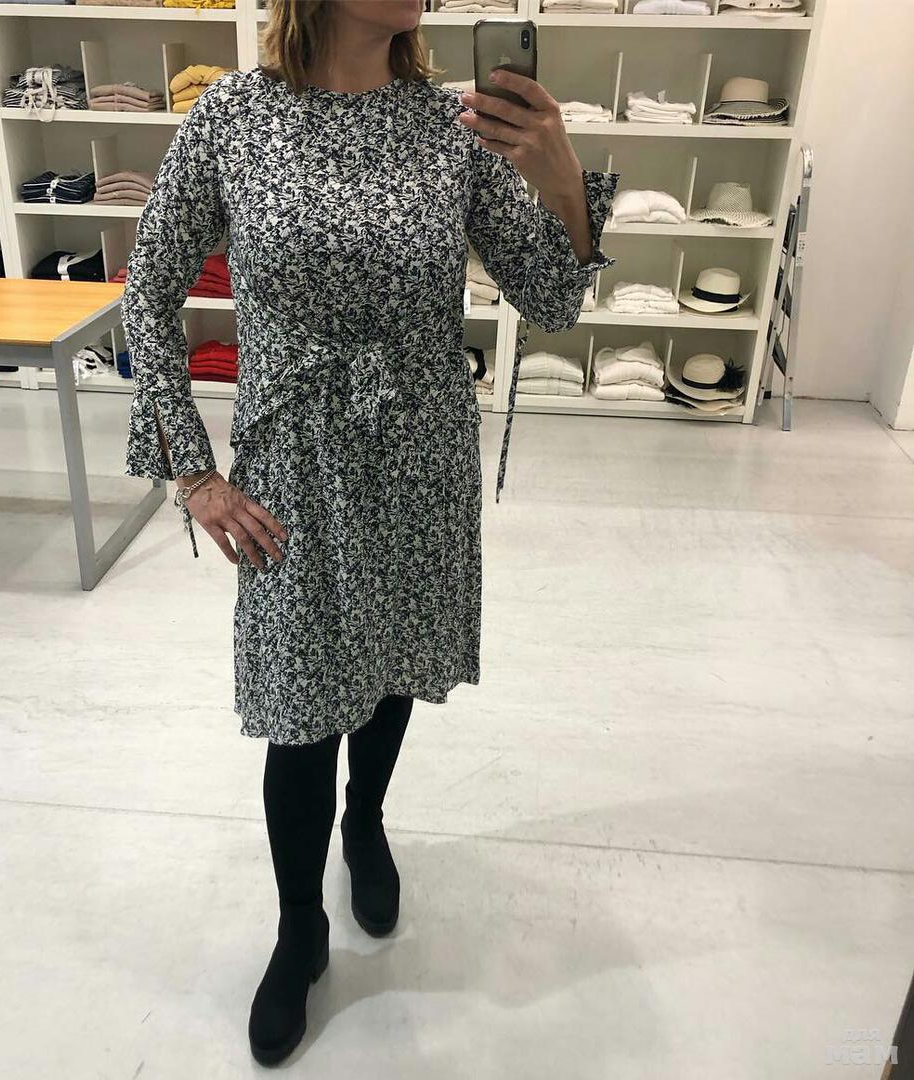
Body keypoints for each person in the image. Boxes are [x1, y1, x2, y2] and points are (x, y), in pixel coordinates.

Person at [120, 0, 617, 1065]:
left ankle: (367, 821)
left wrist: (560, 175)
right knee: (300, 705)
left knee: (392, 662)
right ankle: (300, 926)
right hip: (294, 461)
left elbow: (552, 301)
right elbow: (147, 290)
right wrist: (192, 473)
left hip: (420, 451)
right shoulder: (235, 117)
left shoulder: (453, 125)